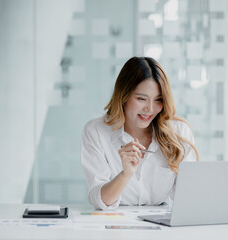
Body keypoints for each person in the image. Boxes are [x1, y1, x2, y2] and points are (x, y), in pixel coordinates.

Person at [81, 57, 199, 210]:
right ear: (123, 96)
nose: (150, 109)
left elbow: (188, 198)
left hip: (161, 226)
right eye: (141, 99)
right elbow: (100, 200)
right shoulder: (96, 131)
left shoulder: (179, 132)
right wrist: (126, 174)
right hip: (116, 224)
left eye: (158, 100)